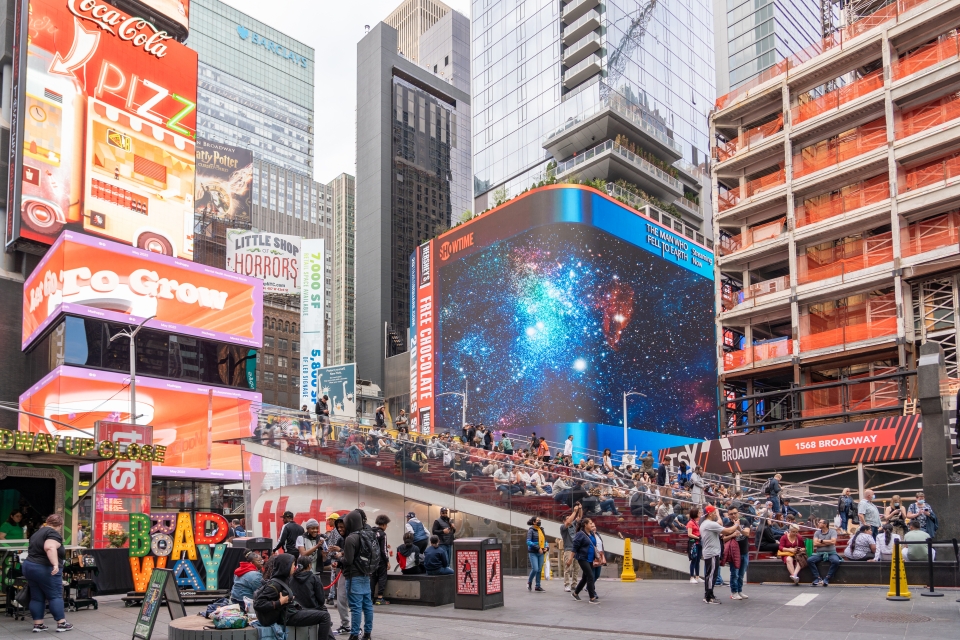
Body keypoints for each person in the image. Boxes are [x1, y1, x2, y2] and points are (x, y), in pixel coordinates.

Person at [253, 553, 331, 640]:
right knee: (325, 616)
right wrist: (280, 602)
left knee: (321, 612)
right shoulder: (275, 584)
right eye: (293, 564)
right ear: (286, 566)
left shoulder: (284, 580)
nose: (294, 567)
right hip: (287, 617)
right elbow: (258, 604)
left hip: (290, 612)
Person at [21, 513, 71, 632]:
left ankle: (38, 625)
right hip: (44, 568)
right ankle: (61, 623)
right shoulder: (53, 533)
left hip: (29, 566)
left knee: (37, 597)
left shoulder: (37, 533)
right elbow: (50, 547)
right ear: (60, 525)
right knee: (55, 596)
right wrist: (55, 564)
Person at [340, 510, 374, 640]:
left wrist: (340, 559)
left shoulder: (351, 538)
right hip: (366, 574)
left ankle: (354, 635)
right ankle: (367, 634)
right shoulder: (368, 534)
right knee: (368, 606)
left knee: (355, 607)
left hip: (354, 576)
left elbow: (348, 560)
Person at [700, 505, 739, 605]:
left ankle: (710, 595)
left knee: (711, 575)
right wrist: (736, 525)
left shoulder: (706, 524)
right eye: (714, 513)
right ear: (710, 513)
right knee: (711, 575)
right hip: (712, 553)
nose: (716, 515)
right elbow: (728, 531)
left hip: (711, 552)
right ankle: (708, 597)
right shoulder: (709, 524)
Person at [724, 506, 751, 599]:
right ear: (728, 515)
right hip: (734, 552)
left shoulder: (744, 521)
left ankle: (740, 590)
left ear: (738, 513)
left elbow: (747, 533)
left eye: (735, 513)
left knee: (741, 573)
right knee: (734, 573)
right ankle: (734, 592)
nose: (733, 515)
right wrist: (732, 534)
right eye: (731, 514)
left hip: (744, 551)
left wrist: (739, 528)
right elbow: (723, 539)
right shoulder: (727, 525)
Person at [570, 519, 600, 604]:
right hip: (582, 558)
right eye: (590, 523)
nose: (592, 525)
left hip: (590, 558)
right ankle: (592, 597)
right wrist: (570, 558)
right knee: (590, 576)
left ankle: (575, 593)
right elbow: (575, 547)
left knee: (585, 578)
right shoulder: (580, 534)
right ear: (585, 525)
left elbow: (594, 545)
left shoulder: (592, 534)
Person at [560, 503, 582, 592]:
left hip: (576, 550)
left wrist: (580, 509)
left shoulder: (573, 525)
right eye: (567, 518)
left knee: (576, 568)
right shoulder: (563, 527)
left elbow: (579, 518)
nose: (570, 519)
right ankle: (566, 584)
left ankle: (574, 584)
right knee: (568, 568)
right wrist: (574, 511)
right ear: (563, 521)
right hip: (568, 549)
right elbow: (569, 522)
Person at [371, 515, 391, 606]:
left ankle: (370, 598)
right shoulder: (383, 534)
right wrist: (387, 561)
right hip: (381, 560)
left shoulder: (371, 532)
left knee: (372, 578)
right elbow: (383, 550)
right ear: (383, 524)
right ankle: (379, 598)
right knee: (382, 577)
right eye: (386, 525)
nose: (386, 527)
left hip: (372, 560)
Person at [526, 516, 548, 592]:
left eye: (540, 520)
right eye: (538, 520)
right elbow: (528, 542)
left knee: (539, 570)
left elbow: (545, 541)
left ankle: (537, 586)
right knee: (535, 569)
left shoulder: (541, 530)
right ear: (534, 522)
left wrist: (546, 547)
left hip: (541, 552)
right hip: (533, 552)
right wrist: (538, 548)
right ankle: (529, 581)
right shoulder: (531, 530)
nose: (539, 521)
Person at [686, 507, 703, 584]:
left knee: (698, 560)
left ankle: (697, 576)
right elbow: (689, 534)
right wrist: (697, 537)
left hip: (698, 542)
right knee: (694, 559)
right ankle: (692, 576)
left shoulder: (696, 522)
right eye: (699, 512)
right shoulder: (690, 523)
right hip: (694, 543)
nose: (700, 514)